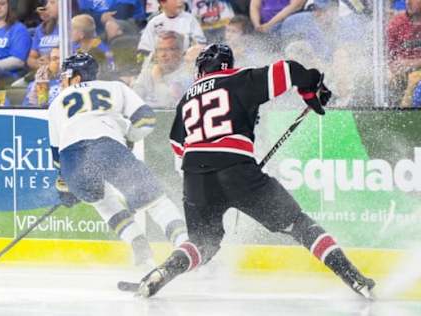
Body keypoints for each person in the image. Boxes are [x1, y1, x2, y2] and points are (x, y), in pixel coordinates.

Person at [131, 44, 376, 299]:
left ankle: (163, 271)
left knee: (202, 244)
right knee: (297, 223)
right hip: (236, 170)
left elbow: (178, 146)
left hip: (195, 176)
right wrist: (310, 87)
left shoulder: (187, 98)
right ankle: (354, 278)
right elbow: (289, 69)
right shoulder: (239, 79)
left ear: (202, 67)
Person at [48, 53, 188, 266]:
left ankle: (140, 251)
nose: (61, 81)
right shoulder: (115, 87)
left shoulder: (56, 103)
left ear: (76, 78)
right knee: (155, 201)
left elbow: (58, 159)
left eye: (64, 76)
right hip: (107, 148)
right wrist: (130, 138)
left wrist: (66, 187)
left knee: (103, 203)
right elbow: (146, 120)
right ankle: (185, 245)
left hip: (72, 162)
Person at [133, 31, 192, 108]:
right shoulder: (149, 71)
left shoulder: (186, 75)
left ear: (180, 52)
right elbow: (134, 99)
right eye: (160, 50)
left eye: (169, 49)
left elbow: (169, 105)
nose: (163, 55)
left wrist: (158, 80)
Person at [137, 0, 206, 57]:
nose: (180, 1)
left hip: (184, 65)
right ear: (163, 3)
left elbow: (201, 45)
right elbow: (144, 50)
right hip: (161, 66)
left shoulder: (190, 20)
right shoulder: (154, 23)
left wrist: (195, 51)